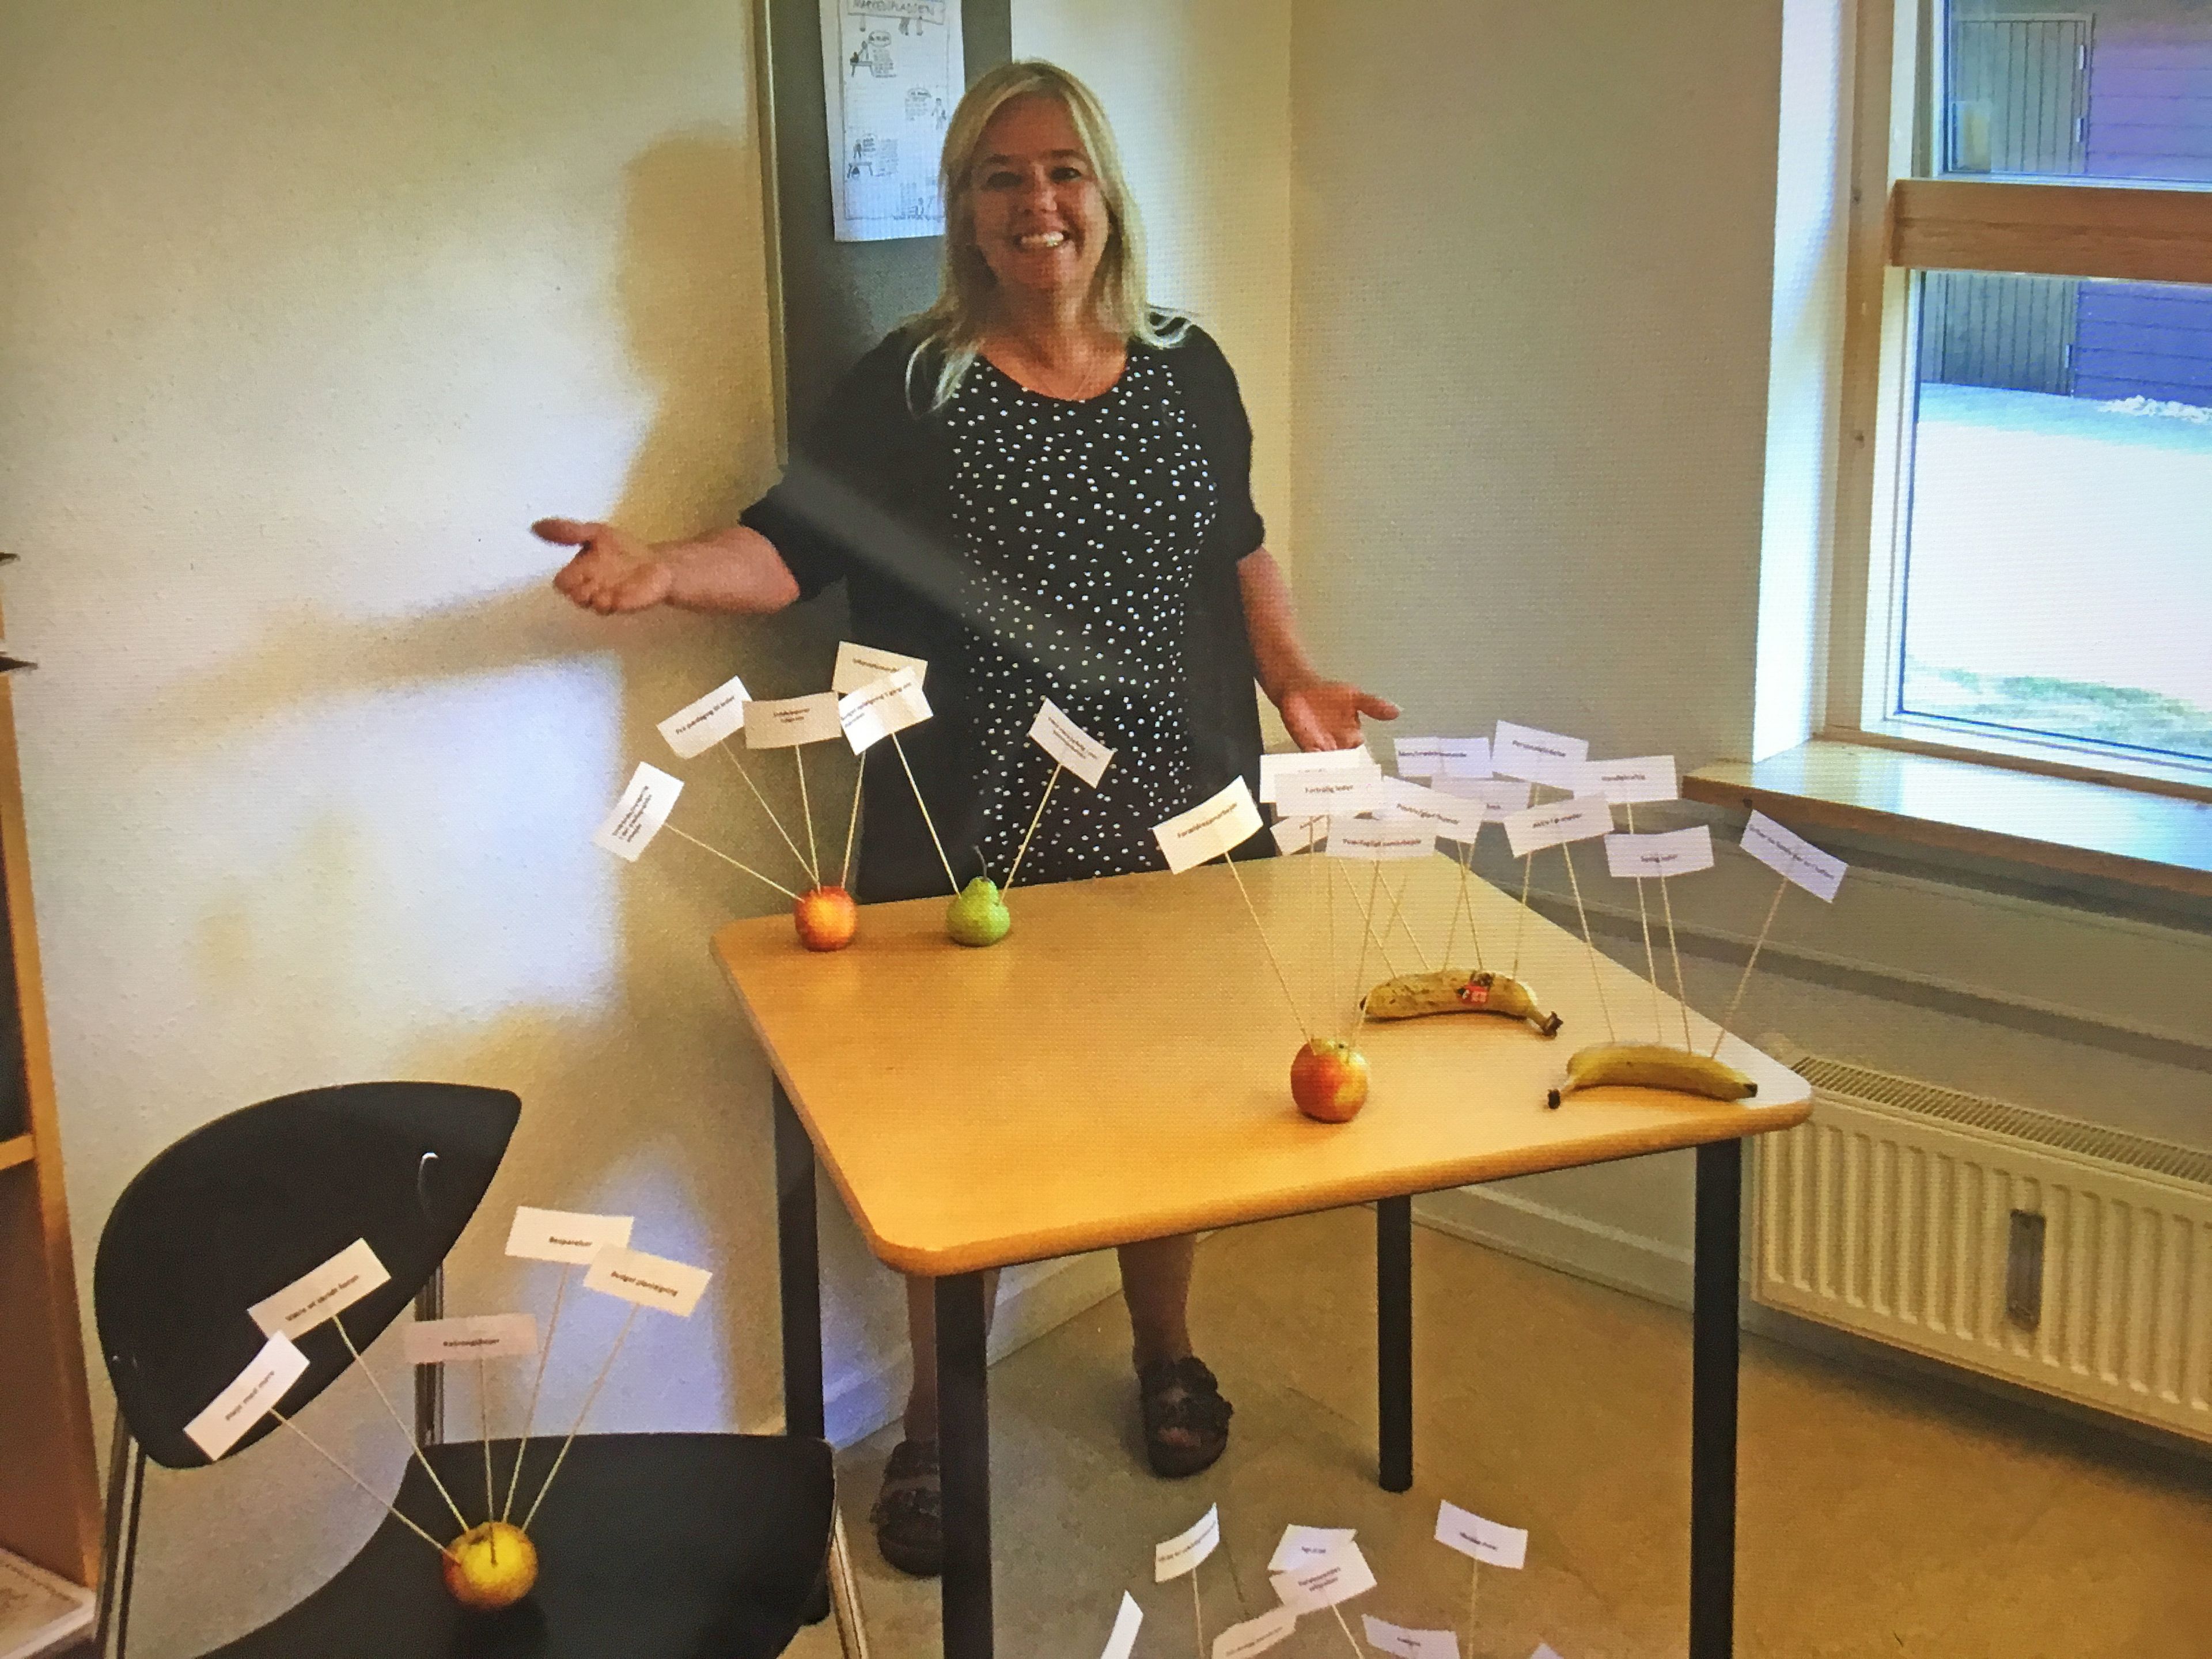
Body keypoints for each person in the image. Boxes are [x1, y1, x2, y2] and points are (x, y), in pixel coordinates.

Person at [540, 59, 1396, 1577]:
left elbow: (1240, 546)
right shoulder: (914, 386)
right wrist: (664, 570)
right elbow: (788, 550)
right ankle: (936, 1425)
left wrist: (1297, 682)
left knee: (1170, 1115)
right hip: (976, 836)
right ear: (965, 212)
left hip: (1177, 823)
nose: (1036, 203)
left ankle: (1166, 1352)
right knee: (967, 1148)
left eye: (1062, 171)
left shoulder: (1189, 368)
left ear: (1106, 193)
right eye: (1001, 178)